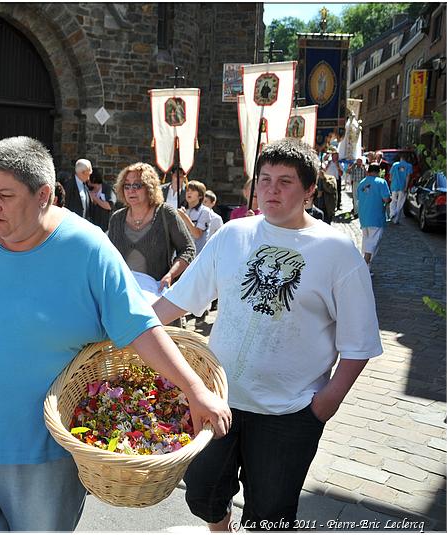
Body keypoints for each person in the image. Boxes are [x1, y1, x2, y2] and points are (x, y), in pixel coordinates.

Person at [0, 136, 230, 531]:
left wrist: (194, 388)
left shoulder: (89, 248)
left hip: (38, 451)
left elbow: (140, 326)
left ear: (44, 195)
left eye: (5, 195)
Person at [152, 138, 383, 531]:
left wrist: (325, 403)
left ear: (310, 190)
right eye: (265, 179)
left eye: (285, 182)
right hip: (219, 398)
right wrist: (126, 329)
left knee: (270, 516)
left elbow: (358, 343)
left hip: (290, 412)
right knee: (202, 492)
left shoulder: (337, 252)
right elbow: (177, 301)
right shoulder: (233, 235)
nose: (271, 190)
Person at [107, 162, 196, 291]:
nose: (131, 190)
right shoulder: (117, 218)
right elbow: (108, 257)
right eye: (127, 185)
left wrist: (170, 275)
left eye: (137, 185)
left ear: (150, 187)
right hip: (121, 294)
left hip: (156, 294)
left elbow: (188, 249)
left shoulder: (166, 213)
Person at [356, 163, 391, 270]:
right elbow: (386, 199)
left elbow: (358, 198)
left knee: (366, 240)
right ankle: (363, 265)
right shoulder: (381, 182)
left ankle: (367, 268)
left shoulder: (361, 183)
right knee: (373, 242)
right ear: (378, 172)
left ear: (368, 171)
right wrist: (389, 200)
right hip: (376, 216)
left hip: (364, 216)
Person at [177, 180, 217, 255]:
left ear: (200, 196)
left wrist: (185, 217)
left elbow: (197, 234)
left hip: (197, 255)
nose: (189, 192)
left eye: (193, 191)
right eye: (187, 190)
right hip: (181, 254)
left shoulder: (205, 211)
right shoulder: (182, 211)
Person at [389, 154, 412, 224]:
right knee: (400, 203)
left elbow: (391, 175)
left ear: (400, 158)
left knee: (393, 200)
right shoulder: (409, 166)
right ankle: (396, 220)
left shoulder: (395, 164)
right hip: (402, 186)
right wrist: (406, 186)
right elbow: (408, 177)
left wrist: (391, 181)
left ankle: (392, 213)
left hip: (394, 185)